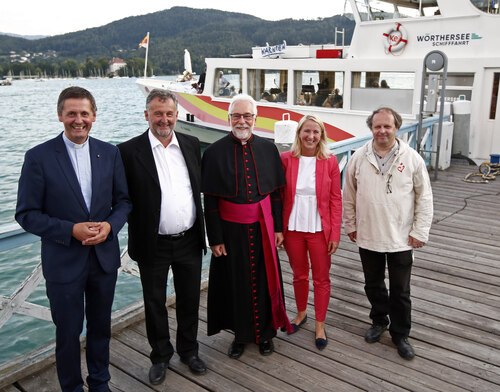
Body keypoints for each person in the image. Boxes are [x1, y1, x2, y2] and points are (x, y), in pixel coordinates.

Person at [15, 86, 131, 392]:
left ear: (94, 116)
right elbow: (26, 214)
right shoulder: (38, 157)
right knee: (67, 332)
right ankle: (71, 387)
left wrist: (109, 227)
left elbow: (124, 202)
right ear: (60, 115)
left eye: (84, 113)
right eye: (71, 113)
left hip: (103, 258)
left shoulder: (110, 152)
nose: (78, 120)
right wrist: (70, 230)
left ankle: (100, 381)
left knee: (100, 328)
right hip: (63, 262)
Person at [118, 89, 207, 385]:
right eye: (157, 113)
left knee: (189, 299)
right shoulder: (129, 151)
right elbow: (121, 198)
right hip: (152, 243)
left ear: (177, 116)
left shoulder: (192, 144)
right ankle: (160, 356)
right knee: (154, 302)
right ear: (147, 115)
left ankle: (189, 350)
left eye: (169, 113)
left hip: (189, 240)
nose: (163, 119)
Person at [201, 93, 292, 359]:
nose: (242, 121)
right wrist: (215, 238)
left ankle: (265, 335)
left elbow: (275, 193)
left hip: (263, 227)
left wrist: (278, 228)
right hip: (230, 232)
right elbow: (211, 199)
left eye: (247, 116)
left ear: (255, 118)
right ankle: (240, 336)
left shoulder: (268, 148)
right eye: (237, 116)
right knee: (234, 284)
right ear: (228, 118)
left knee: (266, 281)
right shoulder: (215, 152)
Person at [343, 107, 433, 360]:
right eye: (377, 126)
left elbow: (424, 197)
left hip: (402, 237)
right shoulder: (358, 157)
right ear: (371, 128)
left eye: (387, 126)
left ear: (397, 128)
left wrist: (420, 231)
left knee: (400, 290)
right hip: (368, 233)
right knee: (373, 284)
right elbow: (348, 195)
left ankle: (400, 333)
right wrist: (351, 225)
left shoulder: (412, 158)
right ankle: (379, 321)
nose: (382, 131)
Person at [280, 114, 342, 351]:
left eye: (316, 132)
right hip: (293, 227)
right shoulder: (286, 159)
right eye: (307, 131)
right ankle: (302, 313)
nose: (311, 136)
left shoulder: (330, 161)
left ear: (321, 136)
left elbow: (336, 200)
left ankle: (319, 323)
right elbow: (278, 196)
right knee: (298, 274)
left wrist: (334, 233)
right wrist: (279, 230)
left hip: (319, 228)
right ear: (299, 134)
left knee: (321, 277)